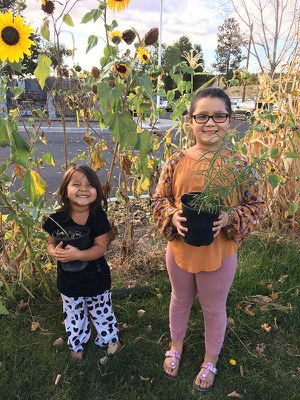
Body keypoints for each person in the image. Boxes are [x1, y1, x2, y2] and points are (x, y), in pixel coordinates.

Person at [151, 88, 265, 391]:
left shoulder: (239, 165)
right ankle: (175, 346)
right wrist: (174, 214)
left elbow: (256, 206)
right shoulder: (176, 161)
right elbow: (158, 200)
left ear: (230, 120)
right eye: (202, 116)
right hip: (180, 249)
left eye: (219, 116)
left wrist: (228, 218)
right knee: (180, 299)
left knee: (214, 308)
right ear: (190, 120)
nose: (209, 123)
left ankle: (210, 359)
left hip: (220, 252)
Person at [43, 165, 121, 363]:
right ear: (65, 191)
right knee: (74, 314)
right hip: (69, 280)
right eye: (76, 184)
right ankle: (77, 342)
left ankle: (110, 340)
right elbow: (50, 244)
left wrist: (78, 254)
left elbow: (100, 248)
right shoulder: (57, 219)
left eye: (90, 185)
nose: (84, 189)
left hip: (96, 277)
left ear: (97, 191)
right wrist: (55, 252)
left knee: (102, 311)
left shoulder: (98, 217)